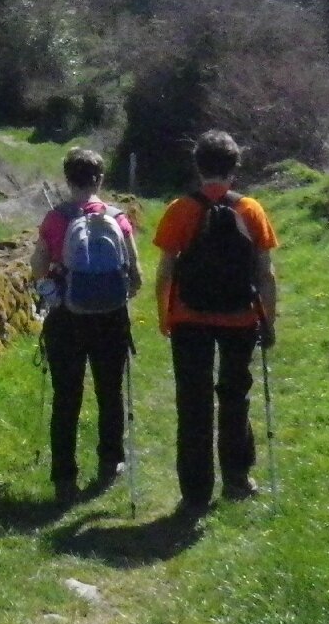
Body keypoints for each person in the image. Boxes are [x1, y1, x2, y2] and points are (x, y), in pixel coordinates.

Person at [152, 130, 279, 514]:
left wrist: (164, 316)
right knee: (235, 395)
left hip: (190, 318)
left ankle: (195, 492)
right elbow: (265, 274)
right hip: (240, 317)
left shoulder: (180, 210)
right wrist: (268, 322)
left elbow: (164, 273)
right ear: (234, 168)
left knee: (193, 403)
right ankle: (238, 478)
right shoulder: (251, 211)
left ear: (198, 166)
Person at [31, 147, 142, 506]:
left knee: (67, 397)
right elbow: (135, 273)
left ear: (67, 178)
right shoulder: (117, 217)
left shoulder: (55, 219)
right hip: (110, 317)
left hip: (66, 317)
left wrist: (50, 289)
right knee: (110, 391)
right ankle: (111, 461)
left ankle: (65, 477)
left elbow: (38, 264)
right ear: (100, 179)